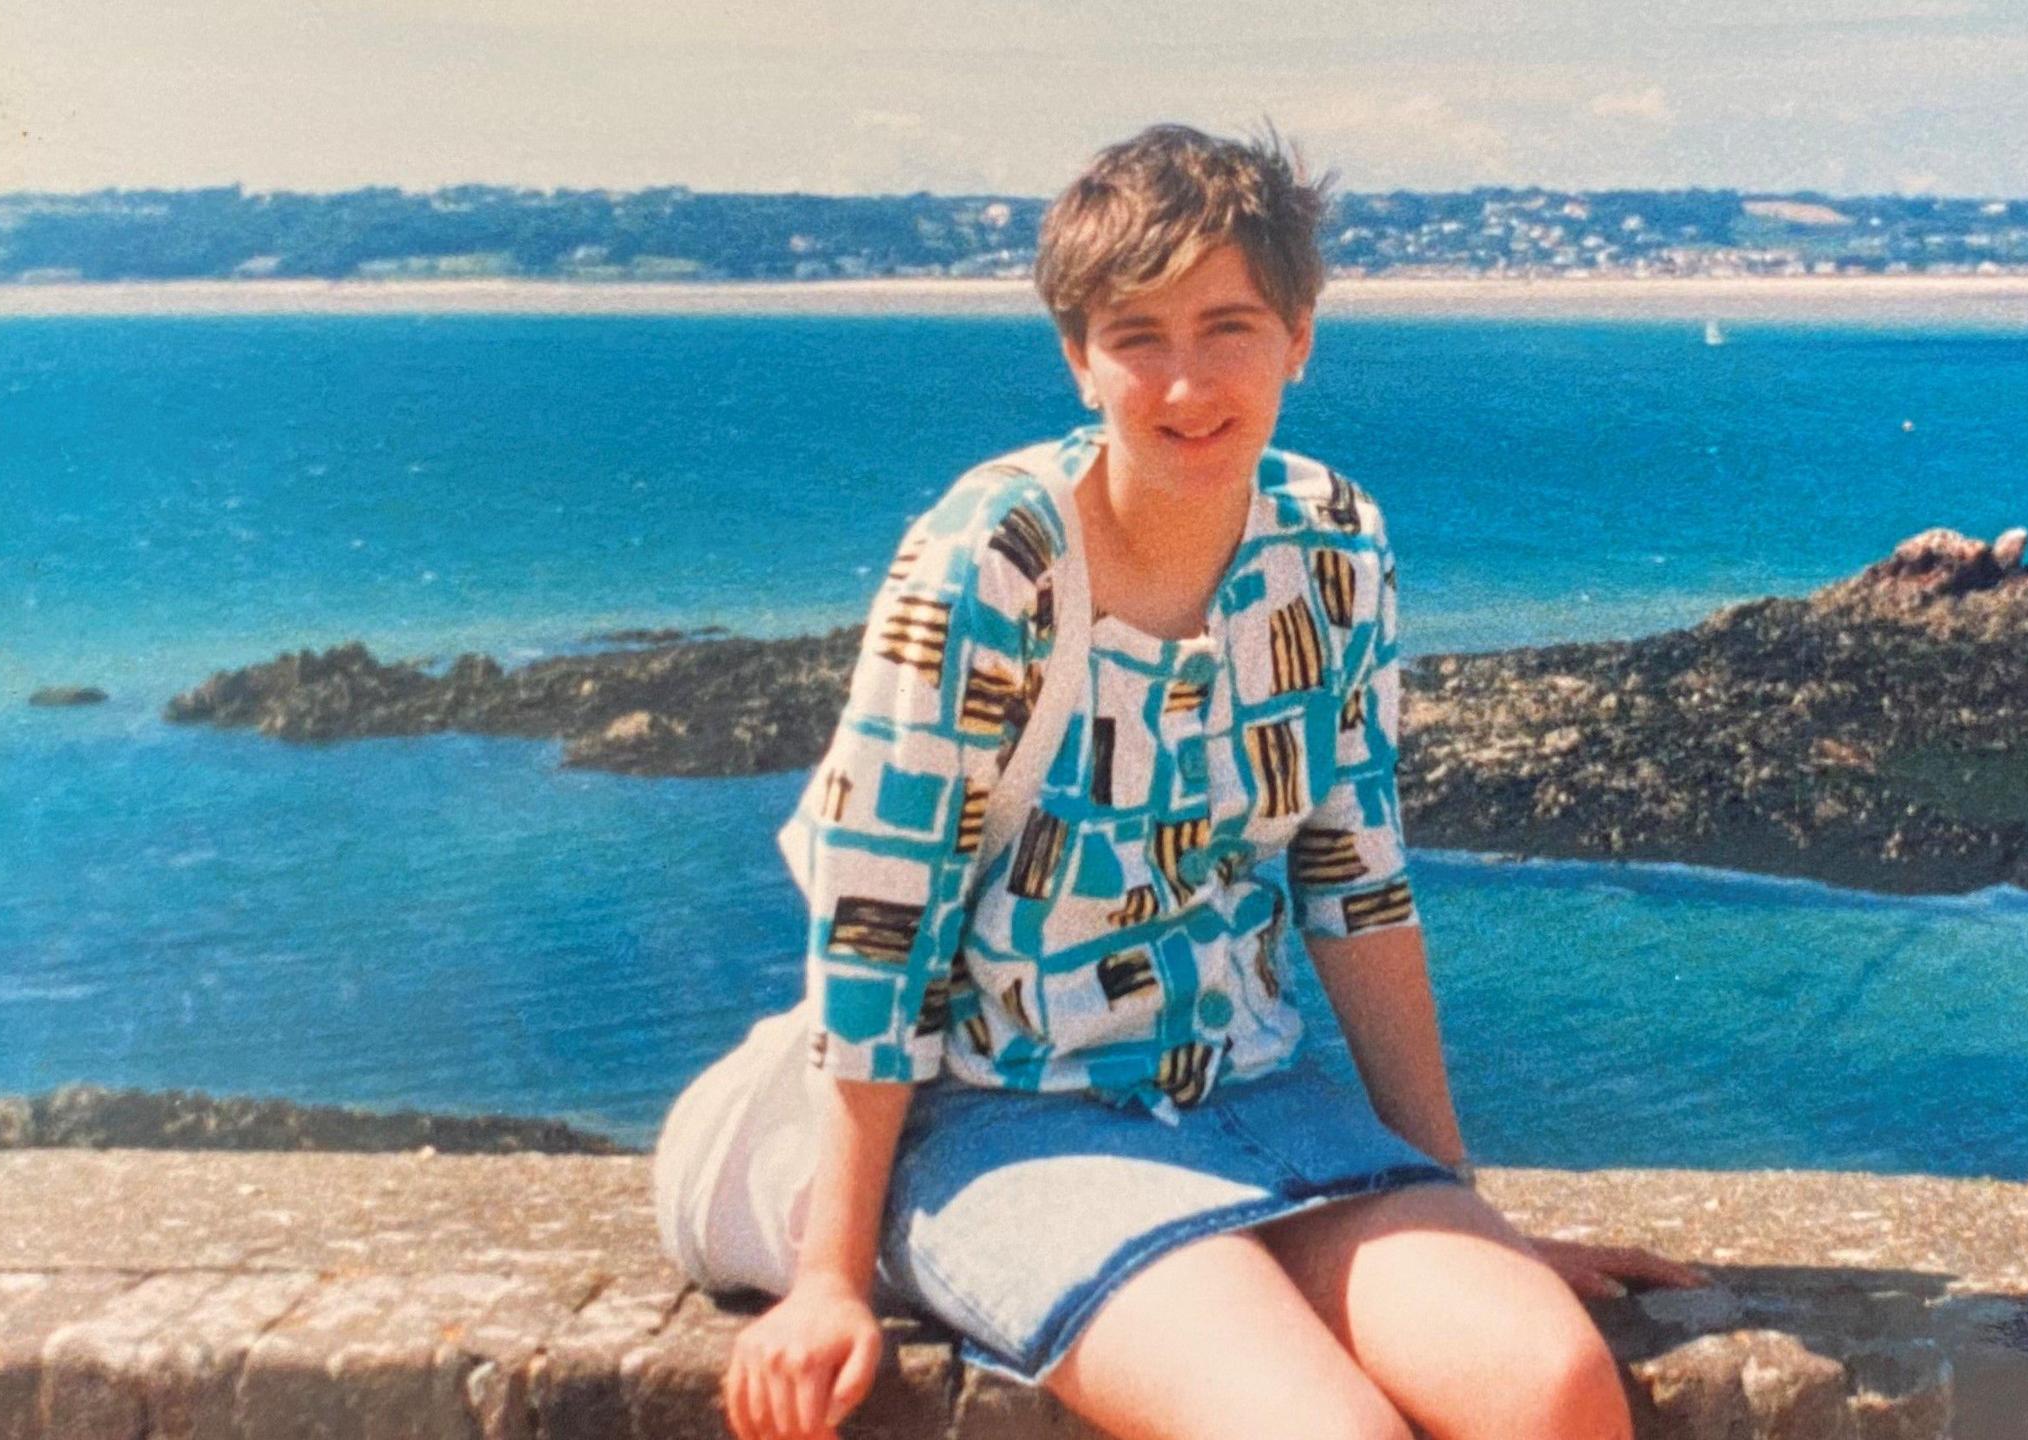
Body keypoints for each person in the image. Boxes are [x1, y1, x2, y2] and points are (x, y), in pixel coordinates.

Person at [703, 123, 1703, 1440]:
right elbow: (878, 926)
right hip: (1014, 1121)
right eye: (1139, 335)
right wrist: (829, 1280)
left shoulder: (1335, 544)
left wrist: (1460, 1204)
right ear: (1079, 358)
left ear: (1300, 334)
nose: (1187, 384)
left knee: (1556, 1388)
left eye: (1229, 326)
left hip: (1259, 1096)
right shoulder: (988, 564)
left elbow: (1355, 882)